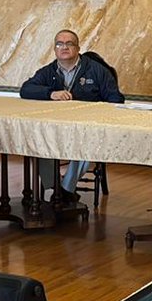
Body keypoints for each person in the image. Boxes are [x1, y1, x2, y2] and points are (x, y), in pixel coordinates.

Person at [20, 30, 123, 198]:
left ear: (78, 48)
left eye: (69, 44)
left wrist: (95, 112)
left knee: (86, 144)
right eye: (59, 44)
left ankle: (66, 190)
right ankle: (54, 186)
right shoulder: (49, 71)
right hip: (56, 128)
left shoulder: (97, 71)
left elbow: (116, 99)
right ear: (55, 49)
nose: (64, 47)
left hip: (86, 128)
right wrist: (50, 94)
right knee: (36, 142)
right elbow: (26, 89)